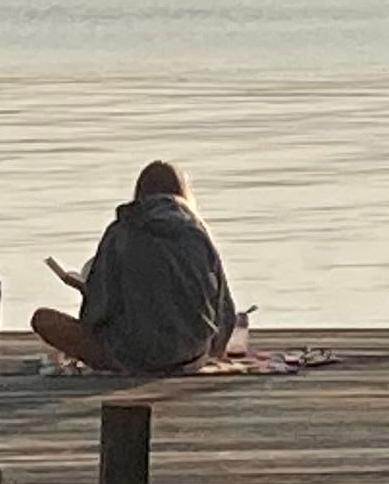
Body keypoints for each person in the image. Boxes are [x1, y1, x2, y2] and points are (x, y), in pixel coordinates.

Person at [32, 160, 244, 375]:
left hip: (134, 355)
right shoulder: (198, 235)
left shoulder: (121, 232)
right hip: (190, 355)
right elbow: (225, 311)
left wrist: (87, 291)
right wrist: (213, 349)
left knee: (43, 319)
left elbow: (98, 310)